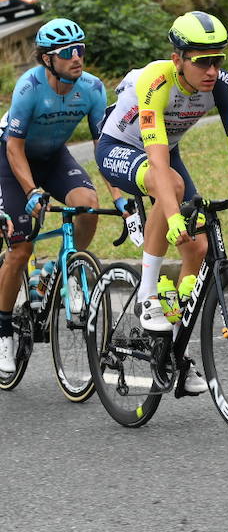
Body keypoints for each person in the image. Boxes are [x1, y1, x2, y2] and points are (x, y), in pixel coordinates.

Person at [94, 12, 228, 391]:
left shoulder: (222, 85)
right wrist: (171, 217)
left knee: (198, 246)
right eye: (202, 60)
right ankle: (149, 296)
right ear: (178, 59)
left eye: (218, 60)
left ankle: (170, 354)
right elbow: (156, 158)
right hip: (121, 147)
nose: (212, 70)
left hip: (168, 149)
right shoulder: (156, 82)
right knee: (171, 191)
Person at [0, 19, 127, 374]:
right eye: (68, 52)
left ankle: (64, 270)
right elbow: (14, 147)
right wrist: (31, 191)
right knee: (21, 247)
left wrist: (118, 197)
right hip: (13, 160)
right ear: (46, 59)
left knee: (87, 204)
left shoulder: (92, 89)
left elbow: (106, 148)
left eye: (81, 50)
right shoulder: (29, 87)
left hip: (54, 157)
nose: (77, 58)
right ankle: (3, 330)